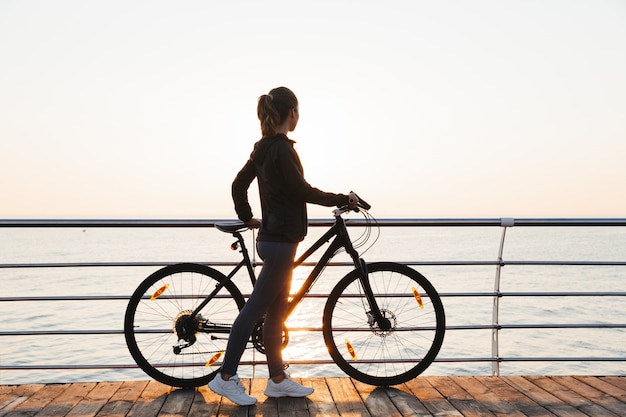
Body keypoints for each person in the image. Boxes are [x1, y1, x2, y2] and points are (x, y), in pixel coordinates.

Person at [208, 87, 358, 406]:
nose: (298, 117)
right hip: (278, 243)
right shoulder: (280, 149)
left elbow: (239, 185)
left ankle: (277, 380)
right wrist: (343, 199)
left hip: (275, 240)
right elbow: (302, 190)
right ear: (291, 113)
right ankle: (225, 377)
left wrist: (248, 217)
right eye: (298, 111)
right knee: (254, 310)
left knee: (276, 313)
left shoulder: (263, 148)